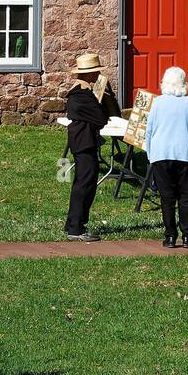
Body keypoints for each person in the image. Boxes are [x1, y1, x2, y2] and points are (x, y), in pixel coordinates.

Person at [145, 67, 188, 248]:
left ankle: (170, 235)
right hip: (184, 153)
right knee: (186, 196)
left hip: (160, 154)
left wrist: (150, 154)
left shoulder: (157, 103)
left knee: (167, 197)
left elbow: (149, 130)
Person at [64, 52, 109, 242]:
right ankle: (76, 227)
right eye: (96, 72)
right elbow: (101, 117)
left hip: (84, 141)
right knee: (84, 184)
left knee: (85, 183)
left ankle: (75, 224)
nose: (98, 75)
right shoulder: (81, 95)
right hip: (83, 143)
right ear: (89, 74)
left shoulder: (83, 92)